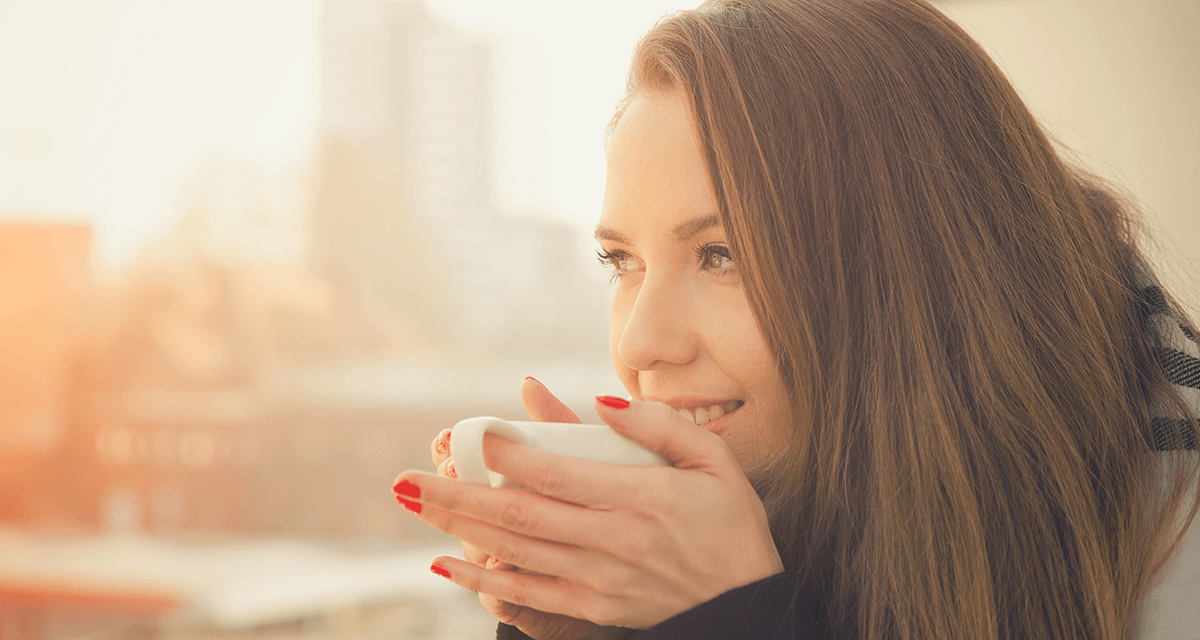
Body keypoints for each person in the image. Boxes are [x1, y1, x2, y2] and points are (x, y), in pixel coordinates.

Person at [391, 0, 1200, 638]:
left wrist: (739, 621)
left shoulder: (1175, 549)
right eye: (621, 263)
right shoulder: (811, 508)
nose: (640, 345)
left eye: (720, 255)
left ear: (912, 274)